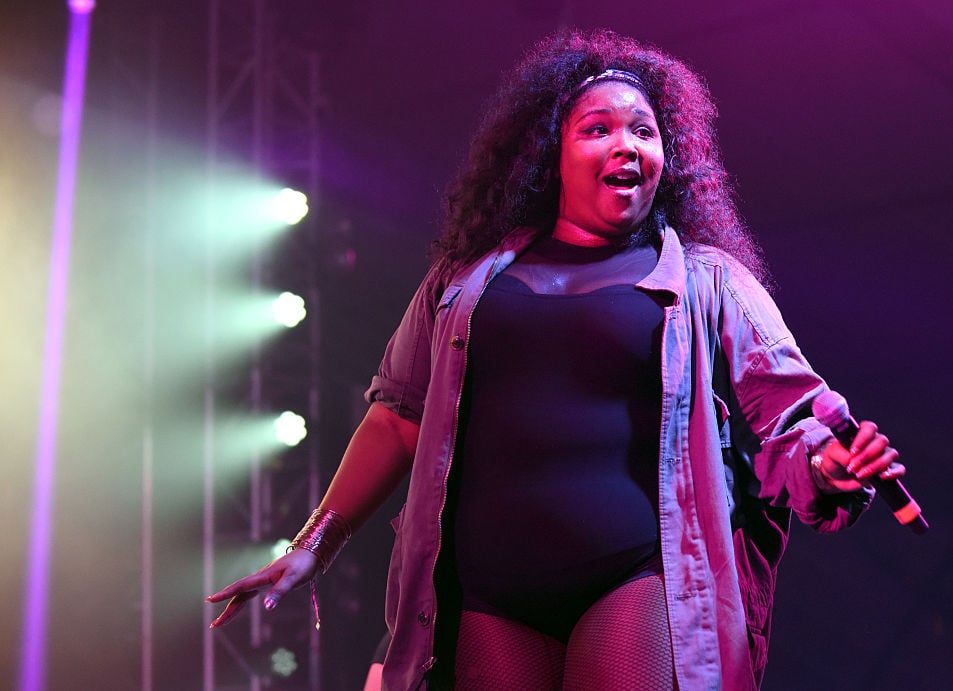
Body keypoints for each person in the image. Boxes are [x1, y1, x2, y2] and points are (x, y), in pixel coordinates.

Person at [208, 29, 907, 690]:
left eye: (643, 130)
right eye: (597, 128)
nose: (626, 144)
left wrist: (827, 462)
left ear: (669, 157)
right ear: (552, 152)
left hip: (634, 576)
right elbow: (396, 420)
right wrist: (314, 543)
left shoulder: (708, 281)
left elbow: (790, 410)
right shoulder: (465, 282)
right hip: (487, 593)